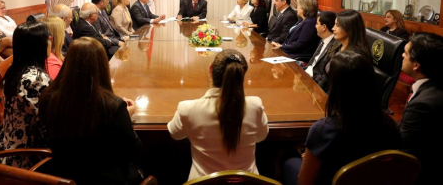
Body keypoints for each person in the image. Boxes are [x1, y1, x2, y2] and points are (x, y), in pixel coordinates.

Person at [280, 52, 401, 185]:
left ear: (335, 88)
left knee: (286, 156)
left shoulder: (323, 130)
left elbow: (304, 181)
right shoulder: (390, 125)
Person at [39, 37, 142, 184]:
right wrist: (125, 115)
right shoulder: (113, 106)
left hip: (63, 175)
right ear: (102, 65)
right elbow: (134, 150)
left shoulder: (47, 97)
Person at [168, 49, 269, 180]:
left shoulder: (187, 109)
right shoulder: (255, 106)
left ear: (210, 70)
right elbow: (261, 137)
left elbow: (175, 134)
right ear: (241, 76)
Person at [0, 21, 51, 168]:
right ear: (38, 46)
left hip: (7, 143)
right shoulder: (34, 80)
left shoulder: (16, 69)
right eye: (47, 39)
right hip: (23, 156)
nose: (50, 42)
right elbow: (48, 122)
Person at [399, 33, 443, 185]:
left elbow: (403, 150)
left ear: (416, 65)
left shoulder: (422, 105)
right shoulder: (433, 84)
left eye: (406, 52)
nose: (402, 55)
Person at [314, 9, 370, 92]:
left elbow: (344, 91)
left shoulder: (354, 58)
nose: (333, 28)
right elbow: (326, 76)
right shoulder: (337, 46)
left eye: (337, 25)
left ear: (349, 28)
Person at [305, 11, 338, 78]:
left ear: (324, 27)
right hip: (307, 73)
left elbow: (324, 74)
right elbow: (312, 62)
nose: (315, 26)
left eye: (317, 24)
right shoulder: (322, 39)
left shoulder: (335, 46)